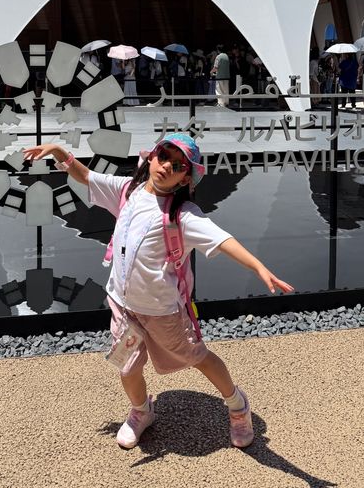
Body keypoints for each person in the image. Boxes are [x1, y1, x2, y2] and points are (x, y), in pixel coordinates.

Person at [23, 133, 294, 450]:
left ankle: (237, 405)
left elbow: (224, 240)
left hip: (163, 311)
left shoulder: (183, 215)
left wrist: (258, 268)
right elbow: (86, 177)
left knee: (198, 357)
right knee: (127, 366)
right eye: (163, 156)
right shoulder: (128, 191)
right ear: (151, 157)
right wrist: (60, 153)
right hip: (123, 306)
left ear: (184, 178)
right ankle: (141, 411)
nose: (167, 166)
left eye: (178, 165)